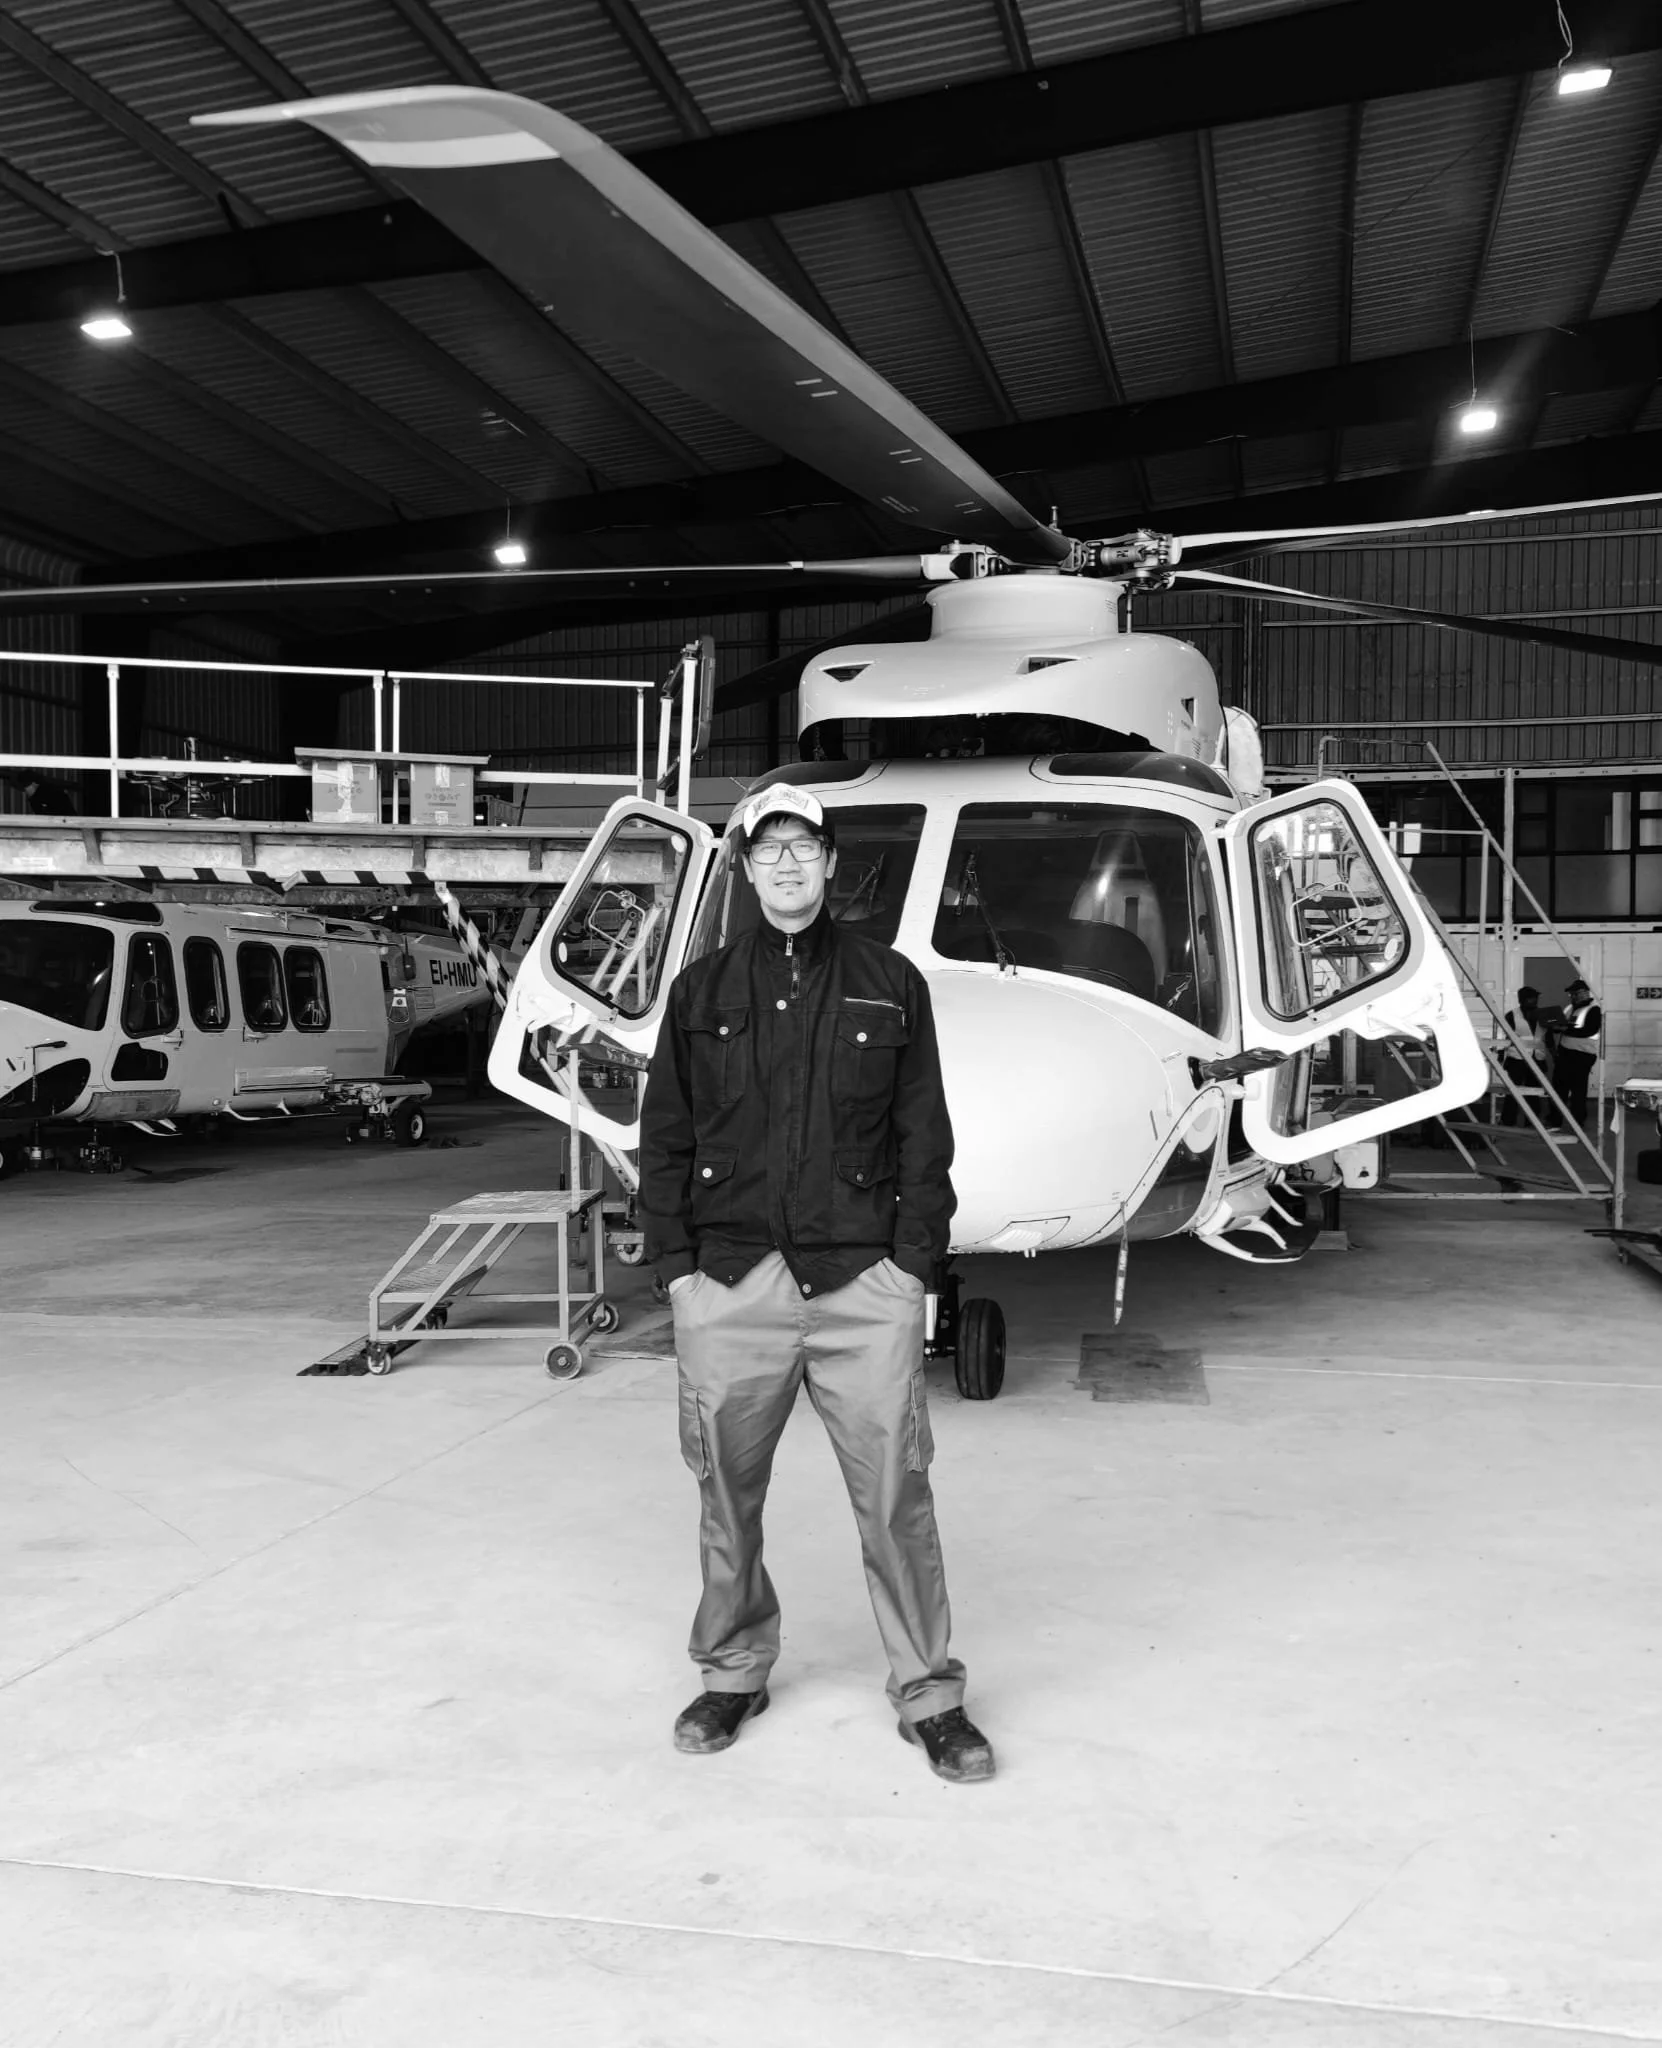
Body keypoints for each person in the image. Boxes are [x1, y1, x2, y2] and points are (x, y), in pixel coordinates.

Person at [639, 783, 993, 1784]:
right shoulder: (700, 992)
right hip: (730, 1281)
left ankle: (930, 1692)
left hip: (860, 1282)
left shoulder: (891, 981)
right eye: (769, 849)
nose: (788, 864)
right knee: (725, 1492)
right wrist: (676, 1271)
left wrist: (911, 1264)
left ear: (832, 863)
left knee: (896, 1496)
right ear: (745, 867)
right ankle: (734, 1666)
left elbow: (926, 1131)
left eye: (806, 847)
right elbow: (663, 1134)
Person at [1549, 978, 1602, 1127]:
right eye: (1571, 994)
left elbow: (1589, 1030)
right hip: (1565, 1054)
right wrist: (1555, 1026)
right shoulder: (1569, 1009)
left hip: (1582, 1056)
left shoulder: (1594, 1009)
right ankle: (1555, 1121)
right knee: (1559, 1090)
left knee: (1578, 1092)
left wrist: (1566, 1029)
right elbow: (1563, 1026)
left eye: (1575, 994)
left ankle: (1577, 1123)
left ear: (1585, 993)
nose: (1572, 997)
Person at [1499, 985, 1543, 1127]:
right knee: (1513, 1092)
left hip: (1537, 1059)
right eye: (1532, 998)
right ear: (1522, 1000)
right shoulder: (1511, 1015)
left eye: (1536, 998)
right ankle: (1508, 1121)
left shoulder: (1542, 1014)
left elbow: (1547, 1037)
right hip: (1517, 1059)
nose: (1535, 1001)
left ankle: (1532, 1123)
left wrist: (1554, 1055)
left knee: (1534, 1093)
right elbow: (1505, 1038)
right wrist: (1500, 1058)